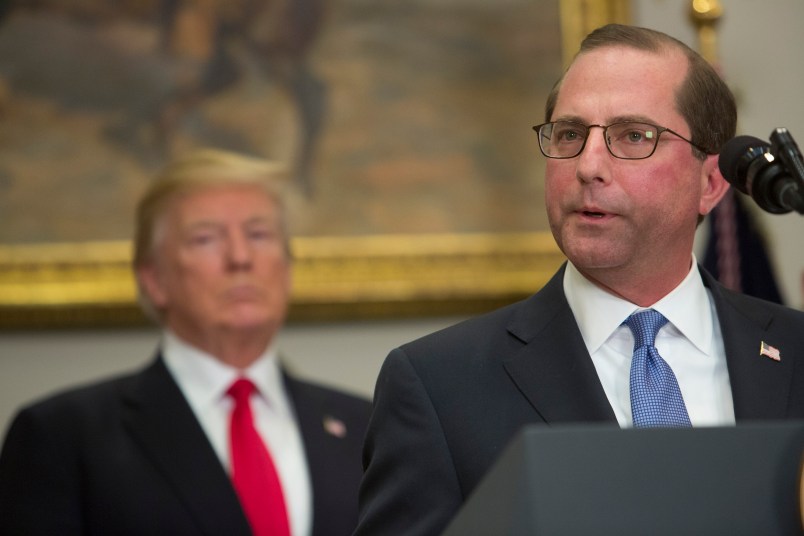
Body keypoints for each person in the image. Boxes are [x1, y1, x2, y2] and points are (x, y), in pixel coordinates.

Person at [355, 24, 804, 535]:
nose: (589, 166)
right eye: (570, 134)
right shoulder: (438, 387)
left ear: (710, 182)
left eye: (633, 136)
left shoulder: (795, 351)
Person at [0, 149, 371, 536]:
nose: (241, 257)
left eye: (259, 234)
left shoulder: (366, 426)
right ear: (154, 279)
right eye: (206, 239)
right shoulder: (63, 436)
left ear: (288, 267)